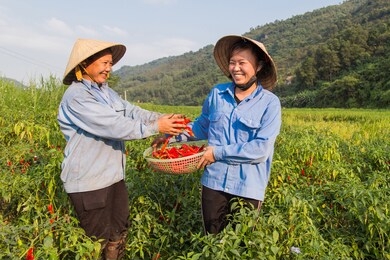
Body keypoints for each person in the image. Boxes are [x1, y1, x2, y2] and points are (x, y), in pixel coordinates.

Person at [57, 38, 186, 259]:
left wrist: (163, 118)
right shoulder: (77, 97)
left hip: (113, 176)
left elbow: (132, 112)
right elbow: (113, 125)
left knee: (118, 232)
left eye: (110, 63)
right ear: (84, 64)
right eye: (104, 63)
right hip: (89, 181)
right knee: (95, 240)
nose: (109, 68)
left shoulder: (106, 93)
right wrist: (156, 127)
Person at [154, 35, 281, 234]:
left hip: (248, 185)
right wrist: (172, 136)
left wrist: (217, 153)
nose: (236, 68)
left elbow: (261, 149)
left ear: (258, 66)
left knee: (241, 244)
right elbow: (202, 126)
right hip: (214, 181)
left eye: (242, 63)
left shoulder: (270, 103)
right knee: (212, 240)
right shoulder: (217, 94)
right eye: (232, 63)